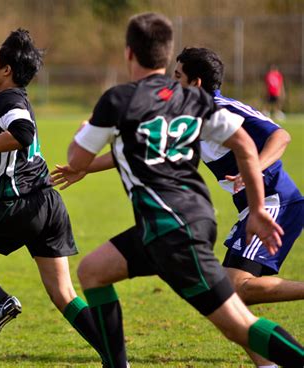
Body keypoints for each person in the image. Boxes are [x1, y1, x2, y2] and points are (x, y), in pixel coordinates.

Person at [53, 13, 304, 368]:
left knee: (238, 322)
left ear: (129, 54)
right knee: (93, 271)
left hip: (174, 228)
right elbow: (243, 146)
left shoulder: (120, 100)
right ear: (166, 54)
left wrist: (83, 139)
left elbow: (77, 155)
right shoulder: (190, 102)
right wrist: (257, 207)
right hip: (171, 222)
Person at [0, 28, 107, 363]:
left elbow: (23, 134)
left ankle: (0, 301)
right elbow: (11, 157)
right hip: (49, 204)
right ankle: (115, 359)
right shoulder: (18, 100)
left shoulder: (7, 100)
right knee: (64, 293)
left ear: (6, 71)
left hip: (18, 206)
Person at [173, 47, 304, 368]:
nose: (172, 83)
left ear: (196, 82)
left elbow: (281, 136)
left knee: (230, 290)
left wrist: (254, 169)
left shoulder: (224, 109)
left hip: (275, 201)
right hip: (252, 208)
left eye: (177, 77)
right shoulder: (191, 115)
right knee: (227, 296)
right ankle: (268, 363)